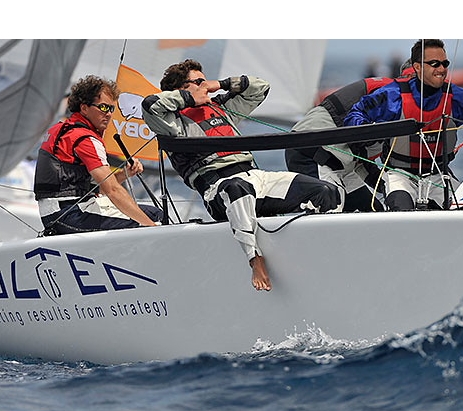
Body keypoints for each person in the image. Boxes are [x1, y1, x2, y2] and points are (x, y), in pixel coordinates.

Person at [141, 59, 341, 291]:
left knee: (325, 191)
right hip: (218, 189)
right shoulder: (171, 122)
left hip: (255, 178)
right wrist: (188, 98)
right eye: (199, 82)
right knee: (236, 187)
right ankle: (254, 258)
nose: (205, 85)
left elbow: (261, 87)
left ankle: (316, 260)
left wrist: (222, 83)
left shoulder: (220, 108)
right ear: (181, 89)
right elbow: (149, 105)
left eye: (205, 80)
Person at [344, 39, 463, 211]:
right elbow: (356, 114)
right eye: (434, 64)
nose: (442, 69)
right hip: (400, 175)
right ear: (417, 67)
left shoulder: (455, 97)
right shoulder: (393, 95)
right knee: (401, 209)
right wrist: (365, 129)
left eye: (445, 63)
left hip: (439, 176)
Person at [33, 75, 162, 234]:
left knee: (153, 213)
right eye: (103, 107)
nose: (108, 114)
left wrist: (125, 174)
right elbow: (112, 190)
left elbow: (94, 187)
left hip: (58, 212)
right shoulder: (85, 139)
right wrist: (152, 229)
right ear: (84, 108)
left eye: (111, 108)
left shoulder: (60, 129)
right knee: (155, 219)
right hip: (70, 213)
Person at [284, 62, 417, 212]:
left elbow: (361, 161)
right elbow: (360, 138)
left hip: (339, 164)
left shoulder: (401, 112)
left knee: (374, 213)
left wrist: (392, 186)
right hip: (313, 152)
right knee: (329, 214)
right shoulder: (387, 93)